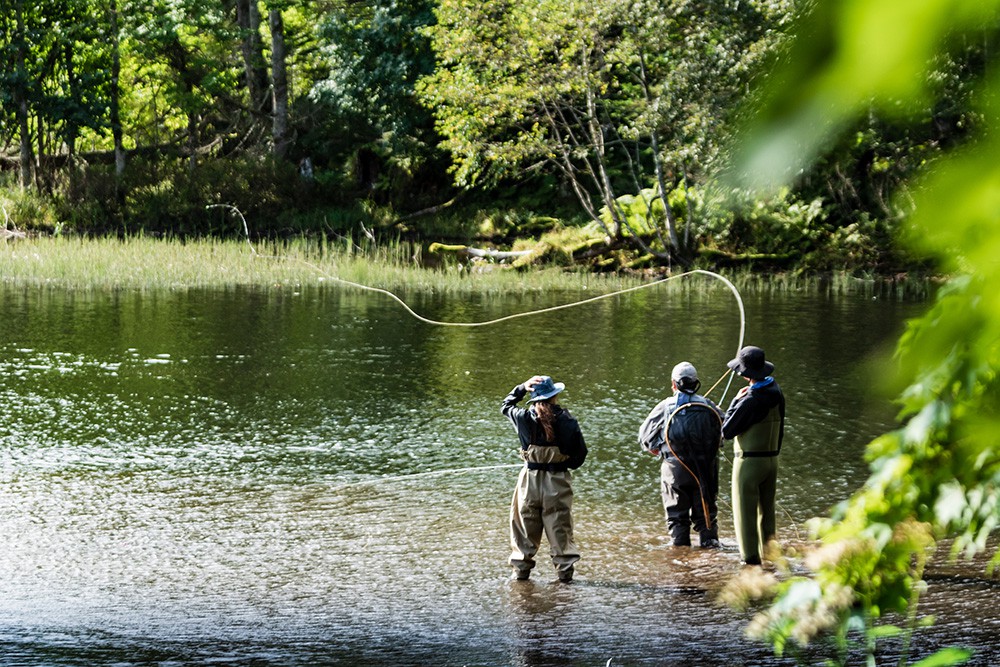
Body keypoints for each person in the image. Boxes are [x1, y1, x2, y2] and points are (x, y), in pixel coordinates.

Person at [501, 375, 587, 582]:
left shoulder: (522, 417)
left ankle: (521, 575)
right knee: (560, 529)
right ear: (555, 396)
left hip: (528, 481)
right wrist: (562, 462)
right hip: (557, 482)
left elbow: (506, 405)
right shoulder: (568, 421)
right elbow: (580, 456)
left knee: (523, 528)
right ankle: (565, 576)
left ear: (534, 398)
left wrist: (521, 387)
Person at [638, 362, 724, 548]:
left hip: (675, 469)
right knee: (707, 515)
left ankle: (680, 556)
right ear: (695, 383)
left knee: (677, 517)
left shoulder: (665, 406)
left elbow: (644, 437)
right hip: (706, 470)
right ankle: (710, 552)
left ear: (674, 384)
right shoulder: (708, 405)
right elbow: (723, 432)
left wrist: (658, 449)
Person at [722, 345, 786, 566]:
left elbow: (727, 431)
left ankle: (750, 562)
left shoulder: (750, 399)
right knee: (767, 512)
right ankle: (771, 558)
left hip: (749, 463)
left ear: (745, 374)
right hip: (772, 461)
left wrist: (734, 401)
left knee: (745, 516)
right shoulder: (776, 391)